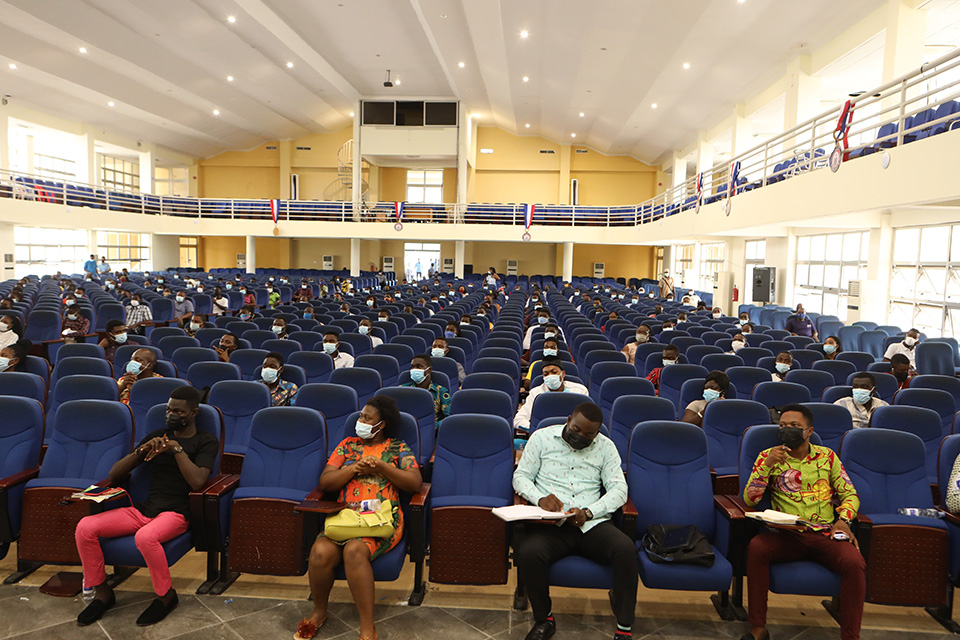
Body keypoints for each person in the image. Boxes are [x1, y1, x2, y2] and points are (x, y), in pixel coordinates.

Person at [75, 386, 217, 627]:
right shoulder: (157, 434)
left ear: (193, 413)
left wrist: (176, 449)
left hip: (176, 512)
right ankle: (102, 593)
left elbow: (197, 481)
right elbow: (115, 473)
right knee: (85, 527)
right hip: (144, 508)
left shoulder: (205, 441)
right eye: (169, 409)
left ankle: (165, 596)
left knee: (145, 537)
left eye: (178, 411)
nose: (171, 414)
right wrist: (141, 451)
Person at [300, 395, 421, 640]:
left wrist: (381, 467)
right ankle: (319, 611)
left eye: (367, 417)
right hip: (346, 518)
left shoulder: (398, 448)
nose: (361, 420)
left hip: (381, 521)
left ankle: (368, 627)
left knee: (354, 550)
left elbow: (415, 482)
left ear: (381, 424)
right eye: (361, 416)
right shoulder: (347, 445)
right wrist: (354, 467)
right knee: (320, 552)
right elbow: (325, 481)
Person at [513, 402, 636, 640]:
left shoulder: (606, 447)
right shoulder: (541, 438)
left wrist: (589, 511)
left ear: (597, 433)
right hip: (553, 524)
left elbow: (619, 489)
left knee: (625, 549)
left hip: (591, 524)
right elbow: (521, 477)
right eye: (576, 429)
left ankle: (624, 628)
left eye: (589, 434)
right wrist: (539, 498)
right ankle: (544, 619)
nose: (580, 436)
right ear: (569, 420)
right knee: (529, 552)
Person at [741, 404, 864, 640]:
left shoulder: (827, 457)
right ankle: (758, 627)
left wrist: (843, 521)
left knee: (854, 562)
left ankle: (850, 636)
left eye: (795, 427)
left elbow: (850, 494)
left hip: (823, 533)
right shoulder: (768, 457)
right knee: (757, 547)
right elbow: (750, 498)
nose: (787, 430)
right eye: (783, 426)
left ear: (808, 431)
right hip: (786, 535)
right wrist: (766, 467)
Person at [514, 358, 589, 431]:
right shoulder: (535, 393)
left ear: (562, 374)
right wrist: (538, 429)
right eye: (546, 374)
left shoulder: (580, 391)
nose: (550, 376)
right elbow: (518, 420)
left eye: (554, 372)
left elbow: (587, 419)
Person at [402, 354, 450, 427]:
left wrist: (433, 427)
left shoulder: (440, 391)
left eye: (419, 367)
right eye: (412, 367)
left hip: (432, 432)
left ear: (429, 369)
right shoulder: (402, 389)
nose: (414, 370)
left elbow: (449, 417)